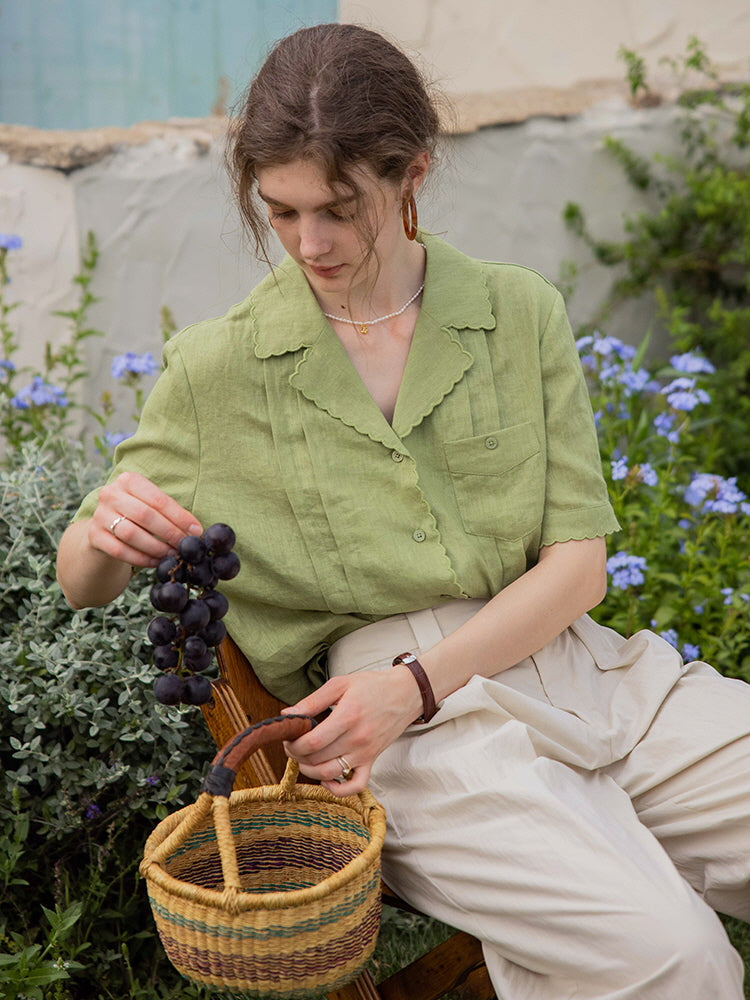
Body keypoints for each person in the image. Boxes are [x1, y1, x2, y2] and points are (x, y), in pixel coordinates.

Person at [56, 23, 750, 1000]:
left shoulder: (518, 313)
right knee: (674, 960)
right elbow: (83, 583)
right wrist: (101, 535)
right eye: (282, 209)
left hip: (590, 676)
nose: (311, 243)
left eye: (340, 209)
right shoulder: (217, 369)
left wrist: (422, 678)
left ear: (414, 171)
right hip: (402, 743)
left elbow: (579, 566)